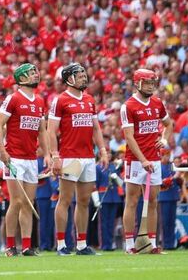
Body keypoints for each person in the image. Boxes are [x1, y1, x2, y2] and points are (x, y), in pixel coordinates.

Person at [47, 63, 109, 256]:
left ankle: (81, 244)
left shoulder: (89, 99)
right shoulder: (61, 100)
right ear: (69, 79)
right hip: (70, 157)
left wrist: (103, 150)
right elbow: (51, 130)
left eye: (83, 74)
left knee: (83, 201)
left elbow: (96, 128)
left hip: (88, 157)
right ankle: (61, 244)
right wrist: (55, 155)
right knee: (65, 200)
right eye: (79, 75)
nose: (84, 77)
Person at [0, 63, 47, 257]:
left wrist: (47, 154)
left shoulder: (39, 100)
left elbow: (42, 130)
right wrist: (2, 151)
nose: (35, 75)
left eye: (35, 72)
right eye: (31, 73)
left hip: (31, 158)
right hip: (14, 157)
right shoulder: (13, 99)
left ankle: (26, 246)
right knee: (15, 201)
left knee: (28, 202)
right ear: (21, 78)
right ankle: (10, 245)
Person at [120, 68, 172, 254]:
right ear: (137, 84)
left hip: (155, 159)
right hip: (135, 160)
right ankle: (129, 244)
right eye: (147, 83)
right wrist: (142, 160)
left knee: (152, 201)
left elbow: (168, 124)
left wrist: (164, 139)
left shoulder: (157, 103)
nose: (150, 87)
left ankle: (151, 243)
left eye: (152, 83)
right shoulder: (128, 106)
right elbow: (129, 137)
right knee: (132, 201)